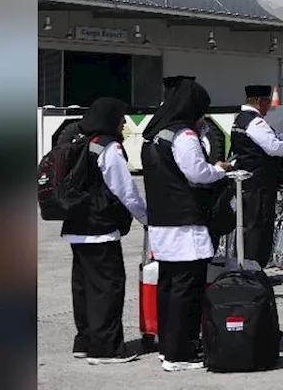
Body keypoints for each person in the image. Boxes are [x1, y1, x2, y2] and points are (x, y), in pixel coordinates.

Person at [142, 79, 233, 372]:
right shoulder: (184, 136)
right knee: (187, 288)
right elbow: (198, 174)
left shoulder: (154, 135)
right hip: (185, 222)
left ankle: (167, 347)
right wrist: (218, 170)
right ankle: (180, 353)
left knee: (168, 285)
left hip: (161, 220)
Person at [61, 97, 148, 364]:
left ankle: (85, 341)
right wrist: (146, 217)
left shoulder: (81, 143)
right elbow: (126, 191)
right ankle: (106, 348)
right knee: (108, 289)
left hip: (76, 227)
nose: (124, 124)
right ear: (110, 119)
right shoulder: (108, 148)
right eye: (122, 119)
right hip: (101, 229)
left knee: (84, 288)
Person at [231, 85, 283, 268]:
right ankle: (256, 268)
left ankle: (245, 265)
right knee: (260, 226)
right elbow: (272, 148)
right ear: (259, 101)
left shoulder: (239, 119)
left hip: (248, 181)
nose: (269, 105)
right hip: (259, 182)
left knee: (248, 225)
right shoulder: (255, 122)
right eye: (267, 101)